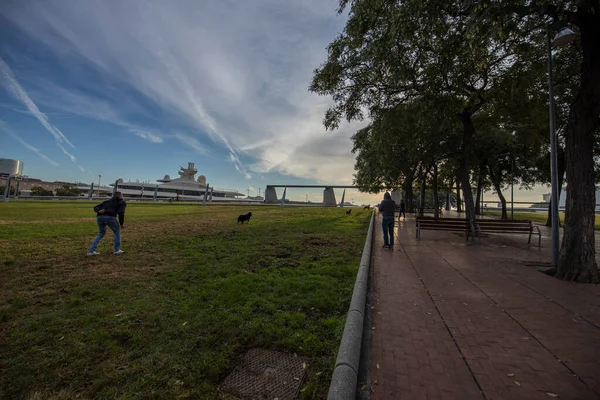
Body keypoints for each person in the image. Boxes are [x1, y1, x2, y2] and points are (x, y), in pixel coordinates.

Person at [87, 191, 127, 255]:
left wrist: (99, 211)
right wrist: (121, 223)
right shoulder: (122, 202)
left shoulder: (107, 201)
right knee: (117, 231)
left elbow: (95, 207)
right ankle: (116, 250)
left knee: (101, 233)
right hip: (110, 217)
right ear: (120, 196)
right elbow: (121, 212)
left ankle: (91, 251)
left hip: (99, 217)